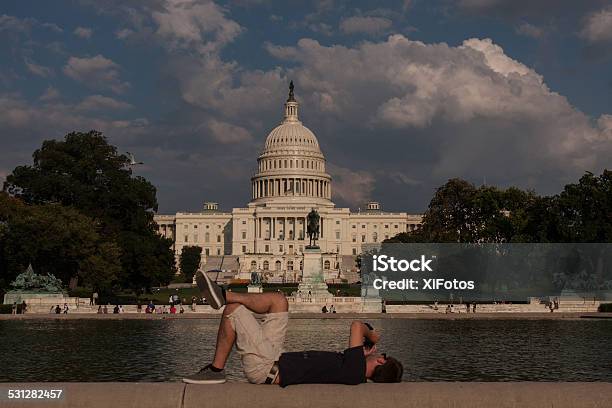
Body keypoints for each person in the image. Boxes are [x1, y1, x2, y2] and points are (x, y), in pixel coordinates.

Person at [182, 271, 403, 386]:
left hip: (266, 366)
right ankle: (223, 294)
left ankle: (215, 370)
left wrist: (372, 335)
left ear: (382, 361)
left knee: (233, 310)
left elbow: (357, 325)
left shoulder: (355, 370)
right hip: (275, 358)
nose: (376, 352)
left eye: (380, 355)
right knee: (279, 301)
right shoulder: (352, 370)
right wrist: (363, 352)